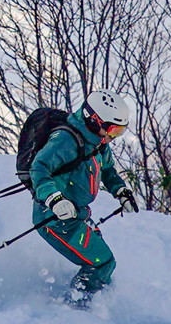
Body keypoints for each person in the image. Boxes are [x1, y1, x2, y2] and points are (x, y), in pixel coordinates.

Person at [30, 90, 140, 306]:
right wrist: (55, 199)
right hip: (55, 218)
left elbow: (108, 170)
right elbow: (39, 168)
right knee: (102, 263)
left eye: (119, 131)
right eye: (112, 129)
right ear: (94, 119)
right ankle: (75, 308)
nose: (113, 136)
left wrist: (120, 190)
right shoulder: (65, 140)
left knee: (100, 260)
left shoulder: (98, 143)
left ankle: (90, 300)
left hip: (77, 214)